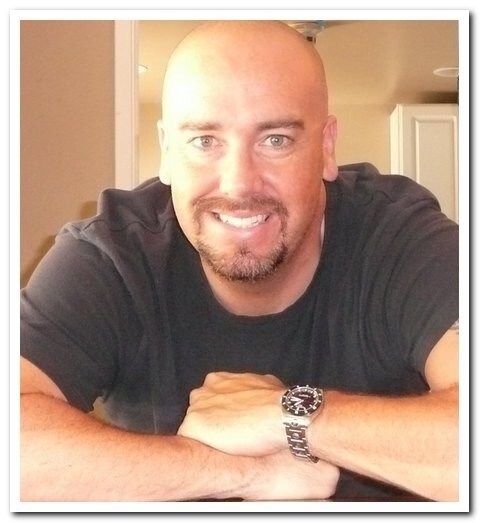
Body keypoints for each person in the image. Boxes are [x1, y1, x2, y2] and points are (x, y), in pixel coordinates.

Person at [20, 20, 459, 502]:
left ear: (326, 147)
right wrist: (241, 473)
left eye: (276, 140)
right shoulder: (112, 258)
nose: (239, 184)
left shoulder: (399, 238)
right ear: (167, 151)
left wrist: (292, 415)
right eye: (205, 141)